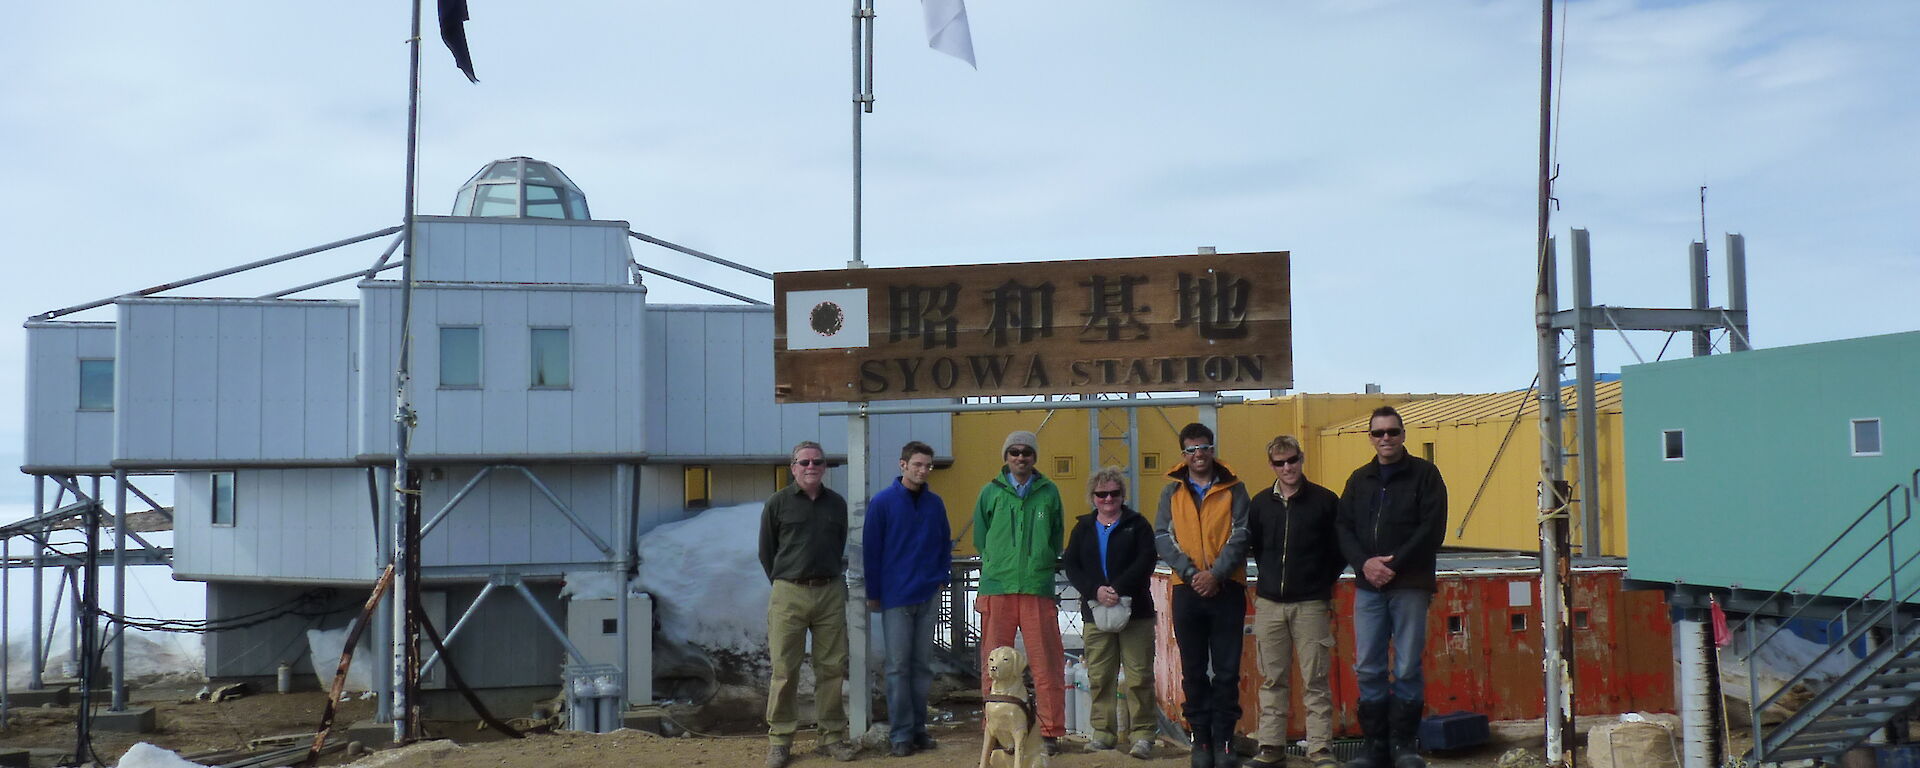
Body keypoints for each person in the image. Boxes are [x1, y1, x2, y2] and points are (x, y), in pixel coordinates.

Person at [1335, 407, 1447, 768]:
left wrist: (1392, 565)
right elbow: (1343, 527)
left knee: (1408, 665)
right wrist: (1364, 564)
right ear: (1370, 437)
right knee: (1367, 665)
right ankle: (1374, 747)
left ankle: (1403, 746)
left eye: (1392, 432)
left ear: (1403, 434)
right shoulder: (1359, 479)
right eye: (1379, 433)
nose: (1386, 438)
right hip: (1368, 586)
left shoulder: (1426, 476)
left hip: (1410, 585)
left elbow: (1432, 530)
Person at [1153, 422, 1251, 768]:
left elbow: (1242, 534)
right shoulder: (1171, 493)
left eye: (1205, 447)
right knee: (1193, 671)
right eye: (1192, 449)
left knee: (1225, 671)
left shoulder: (1234, 488)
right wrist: (1193, 574)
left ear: (1213, 449)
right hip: (1187, 591)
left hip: (1227, 590)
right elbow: (1163, 537)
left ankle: (1225, 740)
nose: (1199, 455)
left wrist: (1217, 574)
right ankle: (1202, 740)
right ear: (1184, 454)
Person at [1245, 435, 1345, 768]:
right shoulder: (1259, 504)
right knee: (1272, 678)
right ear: (1271, 465)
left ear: (1301, 459)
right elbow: (1255, 547)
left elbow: (1340, 549)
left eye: (1292, 460)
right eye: (1280, 462)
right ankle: (1271, 746)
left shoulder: (1325, 501)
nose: (1287, 467)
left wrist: (1321, 581)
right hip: (1269, 603)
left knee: (1315, 678)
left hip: (1311, 603)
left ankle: (1320, 750)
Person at [758, 441, 857, 768]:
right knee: (785, 669)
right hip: (789, 592)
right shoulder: (778, 503)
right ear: (793, 467)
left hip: (829, 590)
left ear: (824, 466)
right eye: (804, 462)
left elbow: (838, 541)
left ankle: (831, 737)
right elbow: (767, 551)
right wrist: (787, 579)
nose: (811, 467)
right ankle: (780, 740)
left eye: (817, 462)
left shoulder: (837, 504)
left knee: (830, 667)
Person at [972, 429, 1067, 756]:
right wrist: (998, 562)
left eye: (1026, 452)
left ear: (1034, 456)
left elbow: (1057, 536)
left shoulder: (1049, 492)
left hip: (1036, 588)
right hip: (998, 587)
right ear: (1006, 456)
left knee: (1046, 663)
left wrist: (1039, 560)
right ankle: (995, 732)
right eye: (1014, 452)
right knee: (994, 665)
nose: (1020, 457)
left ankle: (1050, 731)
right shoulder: (990, 492)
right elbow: (981, 537)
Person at [1062, 466, 1160, 760]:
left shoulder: (1138, 524)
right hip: (1096, 612)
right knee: (1100, 675)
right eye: (1101, 494)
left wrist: (1117, 588)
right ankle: (1103, 733)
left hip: (1136, 611)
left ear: (1122, 495)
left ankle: (1142, 735)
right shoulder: (1082, 528)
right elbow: (1072, 564)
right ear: (1092, 497)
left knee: (1139, 675)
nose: (1108, 499)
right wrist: (1095, 591)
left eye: (1114, 493)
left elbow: (1146, 560)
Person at [863, 441, 953, 757]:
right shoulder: (883, 503)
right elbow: (871, 551)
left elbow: (945, 542)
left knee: (921, 666)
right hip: (896, 596)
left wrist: (942, 576)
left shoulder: (935, 503)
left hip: (927, 593)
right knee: (898, 666)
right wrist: (873, 593)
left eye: (927, 465)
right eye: (917, 464)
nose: (923, 470)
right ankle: (900, 733)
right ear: (902, 465)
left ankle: (918, 729)